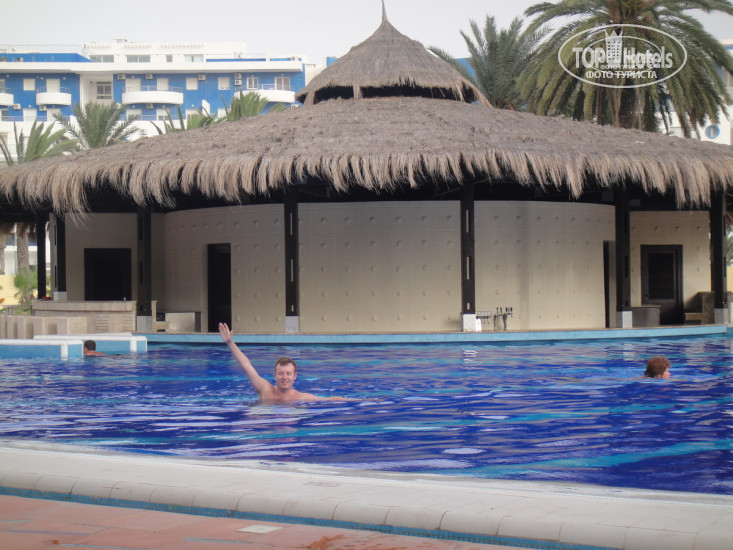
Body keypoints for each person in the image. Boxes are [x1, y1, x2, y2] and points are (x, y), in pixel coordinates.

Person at [219, 323, 346, 403]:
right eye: (281, 373)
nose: (284, 377)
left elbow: (330, 399)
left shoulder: (300, 398)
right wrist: (230, 343)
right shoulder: (265, 389)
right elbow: (247, 367)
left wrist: (356, 400)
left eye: (288, 374)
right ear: (275, 375)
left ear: (295, 376)